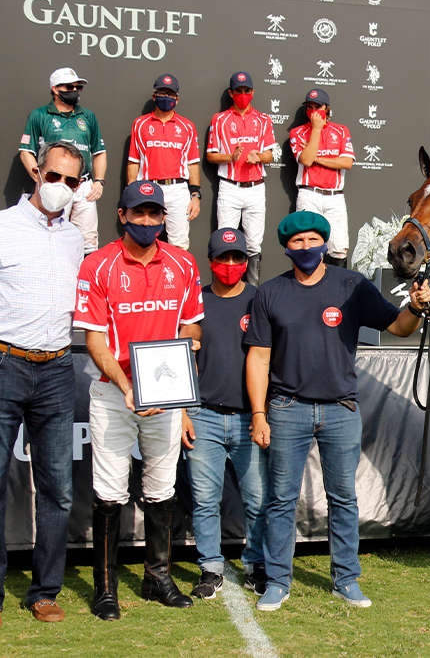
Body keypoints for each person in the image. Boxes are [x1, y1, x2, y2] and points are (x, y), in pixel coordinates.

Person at [244, 211, 430, 611]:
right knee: (280, 499)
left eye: (314, 240)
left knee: (343, 498)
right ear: (286, 247)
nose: (307, 247)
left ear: (326, 244)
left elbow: (397, 328)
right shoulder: (269, 293)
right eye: (297, 242)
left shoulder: (352, 286)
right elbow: (259, 358)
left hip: (340, 409)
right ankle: (277, 581)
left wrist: (415, 307)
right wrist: (259, 414)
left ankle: (345, 579)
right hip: (286, 408)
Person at [0, 140, 85, 630]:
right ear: (37, 172)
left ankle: (44, 590)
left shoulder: (75, 240)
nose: (61, 187)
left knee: (59, 491)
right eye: (55, 177)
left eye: (72, 181)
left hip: (55, 370)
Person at [74, 180, 204, 620]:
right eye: (139, 213)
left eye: (155, 214)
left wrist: (182, 369)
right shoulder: (98, 265)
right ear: (121, 215)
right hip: (115, 393)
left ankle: (157, 577)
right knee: (109, 493)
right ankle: (106, 588)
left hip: (166, 396)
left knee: (161, 488)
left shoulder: (183, 263)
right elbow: (93, 339)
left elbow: (192, 327)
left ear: (164, 218)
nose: (147, 221)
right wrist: (128, 387)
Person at [182, 227, 267, 600]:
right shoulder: (195, 302)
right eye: (223, 258)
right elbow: (182, 358)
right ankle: (210, 568)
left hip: (251, 416)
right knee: (204, 498)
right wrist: (183, 411)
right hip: (205, 415)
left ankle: (256, 565)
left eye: (237, 258)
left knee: (258, 498)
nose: (231, 265)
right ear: (211, 261)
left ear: (246, 262)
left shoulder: (259, 300)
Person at [19, 67, 106, 254]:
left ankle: (85, 281)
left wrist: (99, 181)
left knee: (88, 241)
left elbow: (99, 151)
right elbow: (26, 151)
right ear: (55, 89)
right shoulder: (39, 115)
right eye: (68, 87)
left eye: (78, 87)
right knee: (52, 232)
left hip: (83, 184)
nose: (74, 91)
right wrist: (41, 179)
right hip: (55, 182)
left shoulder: (88, 116)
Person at [205, 71, 277, 285]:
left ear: (252, 92)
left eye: (247, 90)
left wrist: (259, 157)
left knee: (254, 245)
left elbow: (270, 154)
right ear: (231, 92)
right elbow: (210, 155)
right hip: (230, 187)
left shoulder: (263, 120)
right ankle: (222, 290)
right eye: (239, 90)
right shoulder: (220, 119)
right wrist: (231, 157)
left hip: (256, 187)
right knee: (224, 240)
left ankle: (252, 293)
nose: (243, 94)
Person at [127, 73, 201, 250]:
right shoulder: (140, 124)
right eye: (162, 93)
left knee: (179, 244)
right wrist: (131, 190)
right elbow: (133, 161)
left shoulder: (187, 126)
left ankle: (178, 278)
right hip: (148, 187)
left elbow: (192, 163)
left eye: (170, 94)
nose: (166, 98)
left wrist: (196, 195)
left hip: (178, 189)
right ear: (154, 96)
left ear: (177, 98)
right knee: (145, 239)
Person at [289, 88, 354, 267]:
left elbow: (347, 162)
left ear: (326, 108)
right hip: (309, 194)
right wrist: (316, 129)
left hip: (335, 196)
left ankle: (338, 293)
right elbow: (306, 160)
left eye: (318, 106)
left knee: (339, 249)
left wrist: (318, 158)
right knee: (309, 247)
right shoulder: (297, 132)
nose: (313, 111)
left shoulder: (341, 131)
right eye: (309, 106)